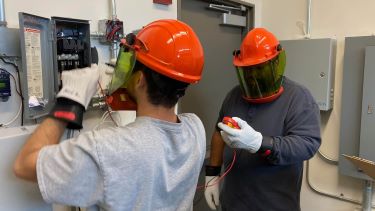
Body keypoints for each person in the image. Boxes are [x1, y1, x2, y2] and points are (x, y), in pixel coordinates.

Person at [13, 19, 206, 211]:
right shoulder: (196, 129)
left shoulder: (108, 149)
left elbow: (24, 164)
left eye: (131, 66)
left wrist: (69, 100)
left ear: (139, 79)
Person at [204, 28, 321, 211]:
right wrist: (211, 175)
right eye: (248, 71)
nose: (253, 77)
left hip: (275, 205)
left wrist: (260, 143)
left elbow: (307, 144)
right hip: (233, 203)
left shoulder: (298, 98)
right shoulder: (234, 96)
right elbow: (219, 133)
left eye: (260, 69)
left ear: (276, 64)